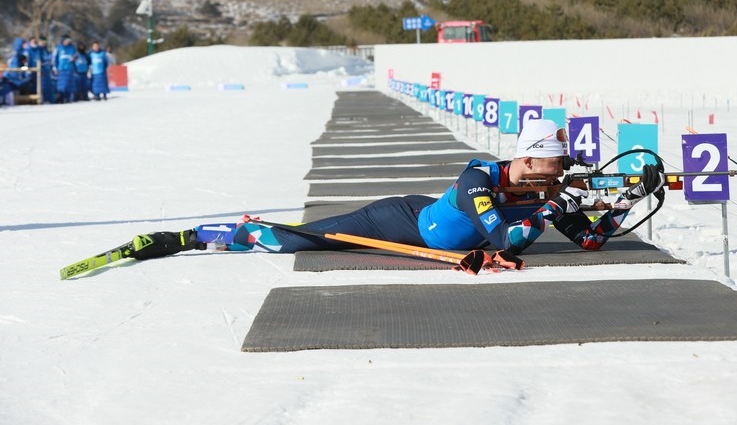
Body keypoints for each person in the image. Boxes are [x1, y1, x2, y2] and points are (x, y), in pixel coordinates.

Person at [126, 119, 666, 273]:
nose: (564, 171)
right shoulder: (477, 179)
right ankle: (193, 236)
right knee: (296, 241)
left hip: (428, 224)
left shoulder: (544, 189)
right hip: (397, 221)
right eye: (557, 164)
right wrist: (553, 207)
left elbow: (591, 241)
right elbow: (506, 239)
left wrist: (624, 202)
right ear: (528, 159)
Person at [53, 34, 77, 103]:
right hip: (61, 69)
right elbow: (54, 59)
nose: (68, 42)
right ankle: (61, 98)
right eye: (66, 40)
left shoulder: (72, 48)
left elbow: (75, 56)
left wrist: (74, 59)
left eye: (69, 40)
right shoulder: (58, 48)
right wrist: (55, 68)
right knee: (62, 85)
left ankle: (68, 98)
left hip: (70, 69)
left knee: (70, 84)